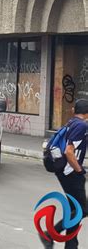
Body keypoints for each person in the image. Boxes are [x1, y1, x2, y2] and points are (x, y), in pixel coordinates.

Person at [39, 99, 87, 249]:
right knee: (82, 210)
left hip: (64, 172)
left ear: (74, 110)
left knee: (75, 209)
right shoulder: (82, 125)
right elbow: (69, 151)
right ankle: (50, 233)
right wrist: (79, 171)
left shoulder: (72, 123)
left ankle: (71, 245)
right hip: (71, 173)